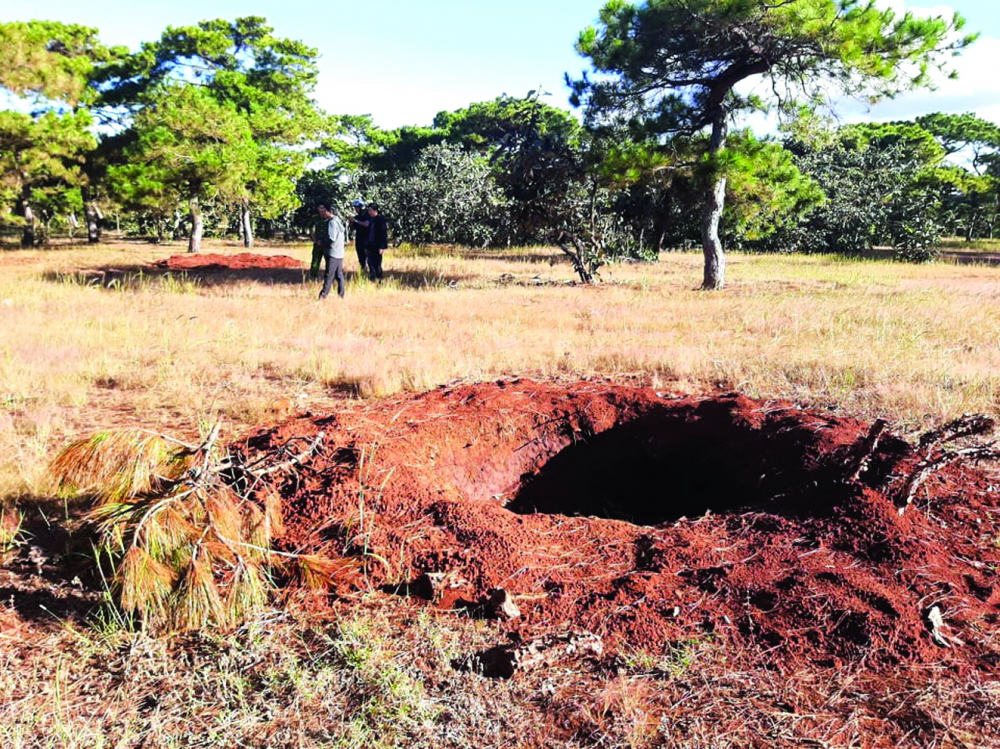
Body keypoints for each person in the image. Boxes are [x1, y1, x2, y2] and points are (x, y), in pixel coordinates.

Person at [315, 203, 347, 300]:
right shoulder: (338, 221)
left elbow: (331, 238)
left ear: (330, 212)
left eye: (325, 212)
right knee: (339, 275)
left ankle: (323, 296)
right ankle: (341, 295)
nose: (323, 214)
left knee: (329, 275)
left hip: (333, 252)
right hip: (339, 252)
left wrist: (321, 242)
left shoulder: (332, 222)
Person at [364, 202, 389, 281]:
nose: (369, 212)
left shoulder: (380, 220)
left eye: (370, 210)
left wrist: (382, 247)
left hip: (377, 245)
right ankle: (372, 277)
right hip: (370, 244)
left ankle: (379, 278)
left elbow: (383, 234)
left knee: (377, 263)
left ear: (375, 210)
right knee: (370, 262)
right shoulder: (370, 220)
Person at [349, 199, 369, 274]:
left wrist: (355, 221)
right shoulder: (357, 217)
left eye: (356, 207)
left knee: (368, 256)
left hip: (367, 240)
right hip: (359, 239)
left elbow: (366, 224)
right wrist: (351, 223)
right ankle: (363, 270)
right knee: (361, 257)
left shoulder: (367, 215)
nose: (355, 209)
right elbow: (353, 228)